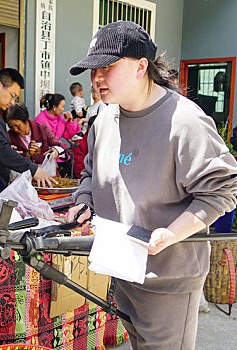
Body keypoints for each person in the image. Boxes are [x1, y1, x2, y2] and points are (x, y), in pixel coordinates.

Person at [66, 21, 237, 349]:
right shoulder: (103, 119)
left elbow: (223, 189)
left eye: (107, 67)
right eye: (92, 70)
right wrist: (85, 199)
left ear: (141, 66)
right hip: (120, 267)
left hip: (167, 281)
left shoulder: (185, 122)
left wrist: (173, 232)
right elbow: (90, 172)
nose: (96, 78)